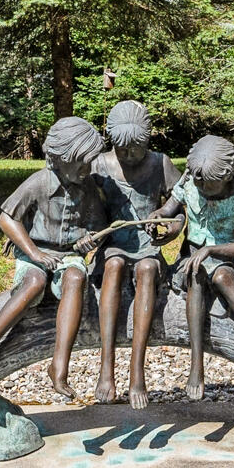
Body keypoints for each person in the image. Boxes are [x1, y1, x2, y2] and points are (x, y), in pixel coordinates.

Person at [0, 116, 119, 397]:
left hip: (68, 256)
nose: (88, 169)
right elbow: (7, 219)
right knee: (34, 283)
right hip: (36, 255)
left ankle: (59, 366)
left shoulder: (86, 187)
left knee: (76, 278)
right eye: (82, 162)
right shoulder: (39, 182)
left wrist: (91, 239)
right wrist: (34, 252)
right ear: (61, 158)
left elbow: (99, 225)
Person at [144, 134, 234, 400]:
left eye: (209, 187)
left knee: (224, 278)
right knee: (195, 274)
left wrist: (212, 250)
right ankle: (196, 365)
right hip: (191, 259)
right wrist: (158, 216)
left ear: (226, 177)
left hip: (223, 258)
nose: (201, 190)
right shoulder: (191, 181)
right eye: (199, 184)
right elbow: (169, 208)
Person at [95, 100, 174, 407]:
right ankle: (106, 368)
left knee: (147, 270)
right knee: (113, 264)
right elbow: (81, 206)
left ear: (148, 140)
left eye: (135, 149)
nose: (128, 155)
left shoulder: (159, 163)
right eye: (122, 149)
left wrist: (172, 229)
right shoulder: (99, 165)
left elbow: (183, 204)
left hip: (147, 246)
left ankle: (137, 371)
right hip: (114, 243)